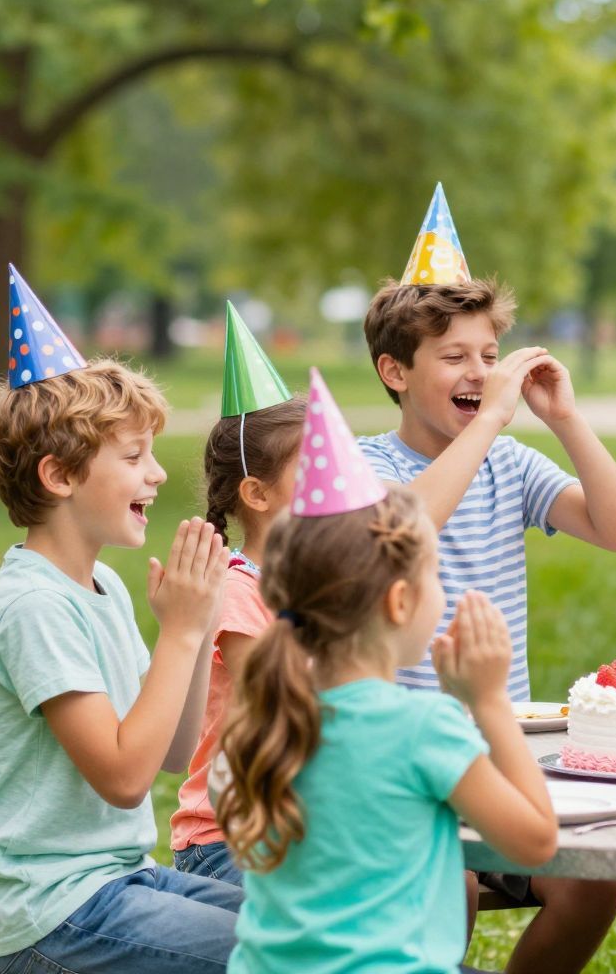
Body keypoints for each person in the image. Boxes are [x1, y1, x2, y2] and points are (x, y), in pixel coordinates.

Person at [359, 187, 616, 970]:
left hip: (502, 743)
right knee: (454, 887)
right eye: (454, 357)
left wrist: (567, 420)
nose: (480, 372)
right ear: (394, 371)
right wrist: (487, 422)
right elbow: (400, 532)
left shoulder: (509, 461)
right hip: (407, 759)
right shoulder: (365, 465)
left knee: (593, 889)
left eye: (488, 355)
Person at [219, 372, 559, 974]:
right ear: (400, 603)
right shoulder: (423, 728)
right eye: (435, 574)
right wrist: (488, 704)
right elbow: (536, 844)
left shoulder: (264, 725)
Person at [0, 267, 241, 974]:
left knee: (318, 923)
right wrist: (176, 633)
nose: (156, 476)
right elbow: (122, 778)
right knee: (290, 953)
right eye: (133, 457)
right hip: (52, 917)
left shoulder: (102, 587)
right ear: (59, 476)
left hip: (119, 883)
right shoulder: (32, 606)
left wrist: (200, 622)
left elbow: (170, 757)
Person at [169, 304, 306, 886]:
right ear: (258, 493)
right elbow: (285, 712)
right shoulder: (235, 590)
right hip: (226, 840)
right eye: (317, 467)